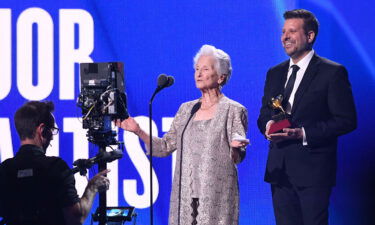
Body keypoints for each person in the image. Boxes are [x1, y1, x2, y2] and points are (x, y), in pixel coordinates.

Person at [116, 44, 249, 225]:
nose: (198, 74)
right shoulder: (186, 109)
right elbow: (164, 147)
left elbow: (238, 155)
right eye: (196, 69)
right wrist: (138, 130)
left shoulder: (233, 110)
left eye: (205, 69)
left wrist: (235, 150)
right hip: (185, 197)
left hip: (216, 198)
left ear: (221, 77)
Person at [257, 9, 357, 225]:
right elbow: (264, 113)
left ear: (310, 36)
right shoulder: (274, 73)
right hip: (279, 170)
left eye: (292, 31)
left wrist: (303, 133)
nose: (284, 37)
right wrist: (268, 125)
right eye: (283, 32)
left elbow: (347, 120)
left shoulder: (332, 72)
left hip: (313, 172)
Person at [0, 101, 110, 225]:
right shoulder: (56, 167)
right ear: (42, 130)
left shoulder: (4, 170)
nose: (52, 136)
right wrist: (92, 188)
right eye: (52, 129)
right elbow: (76, 218)